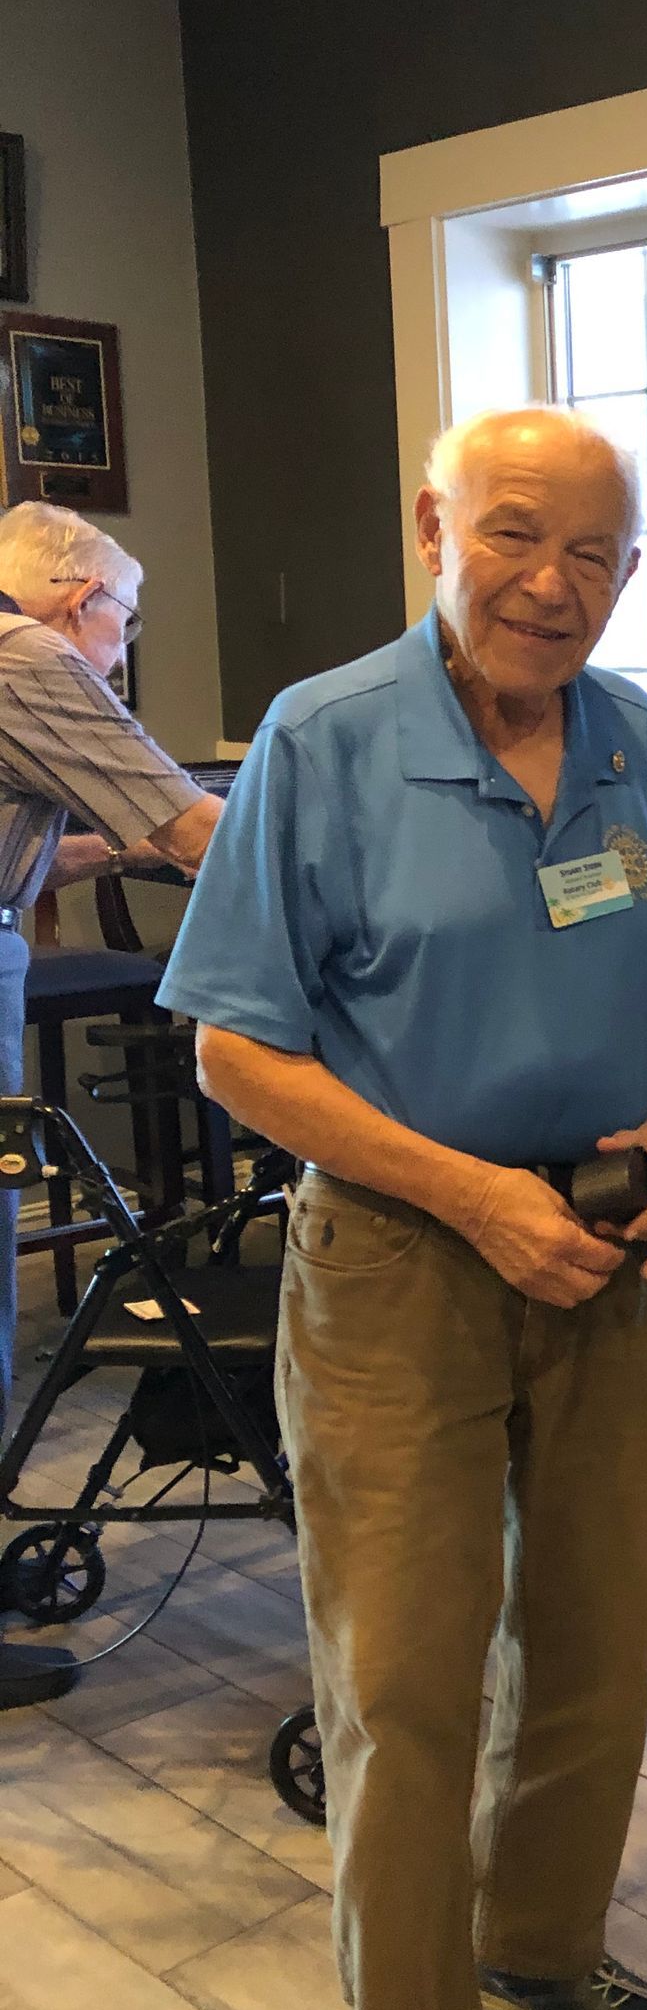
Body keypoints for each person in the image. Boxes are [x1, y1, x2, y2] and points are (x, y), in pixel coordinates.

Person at [157, 407, 647, 2010]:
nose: (551, 587)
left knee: (595, 1639)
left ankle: (546, 1946)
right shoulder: (326, 741)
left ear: (628, 574)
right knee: (402, 1690)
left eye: (594, 557)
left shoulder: (634, 739)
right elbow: (236, 1047)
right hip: (408, 1260)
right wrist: (474, 1192)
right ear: (434, 528)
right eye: (514, 535)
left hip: (616, 1255)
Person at [0, 503, 220, 1709]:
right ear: (79, 597)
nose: (123, 650)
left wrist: (126, 850)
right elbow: (192, 822)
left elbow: (37, 849)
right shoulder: (31, 657)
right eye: (124, 622)